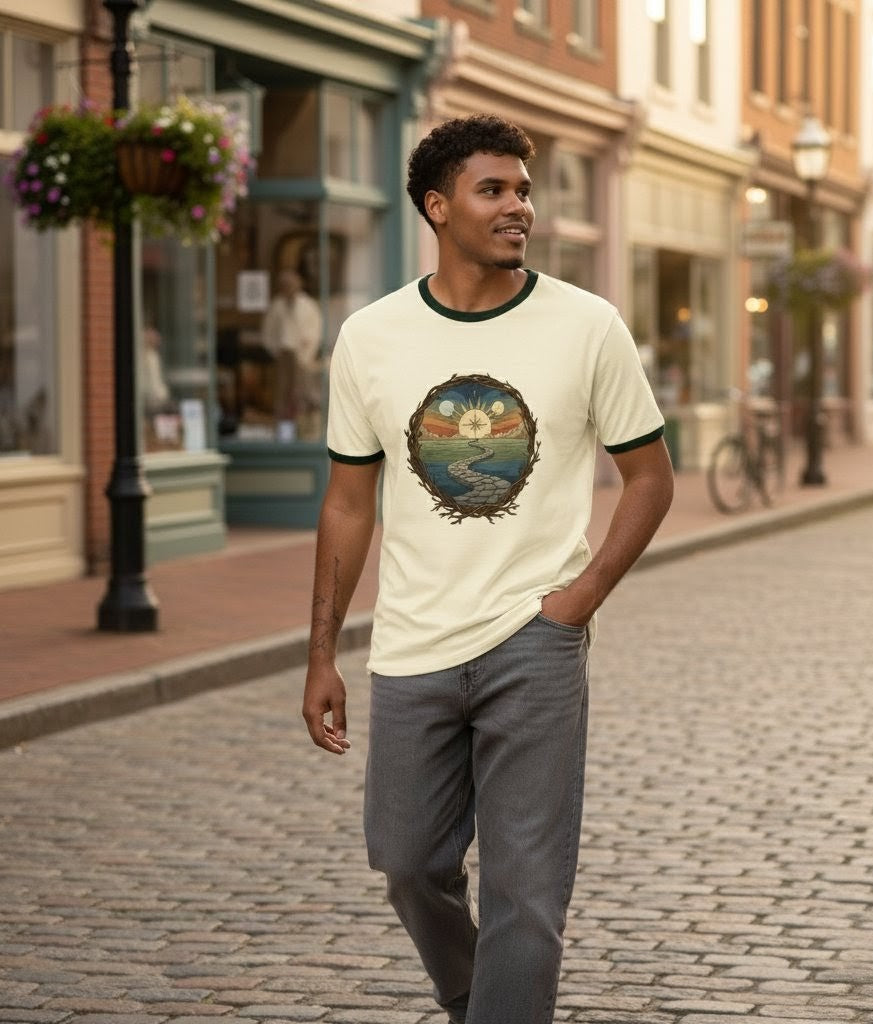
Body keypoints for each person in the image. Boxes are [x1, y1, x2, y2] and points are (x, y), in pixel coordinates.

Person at [301, 114, 674, 1024]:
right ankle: (481, 999)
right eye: (494, 190)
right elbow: (349, 503)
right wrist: (321, 654)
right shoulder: (371, 337)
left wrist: (576, 602)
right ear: (438, 207)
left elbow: (651, 479)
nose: (520, 208)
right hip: (414, 643)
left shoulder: (587, 326)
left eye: (524, 190)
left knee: (527, 890)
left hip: (533, 645)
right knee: (406, 860)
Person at [261, 267, 323, 433]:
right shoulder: (277, 306)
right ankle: (284, 433)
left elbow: (315, 332)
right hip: (283, 356)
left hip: (302, 358)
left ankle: (305, 432)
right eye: (284, 284)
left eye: (291, 284)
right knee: (282, 397)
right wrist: (278, 352)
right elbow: (268, 333)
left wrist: (305, 355)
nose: (288, 287)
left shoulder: (308, 305)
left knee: (303, 396)